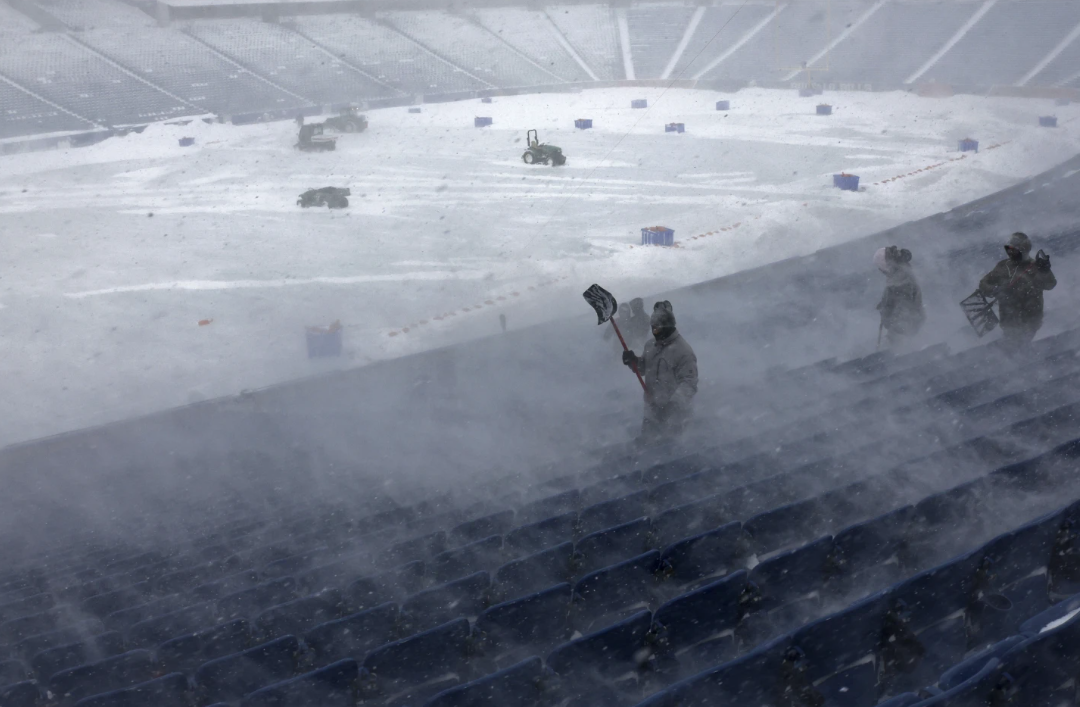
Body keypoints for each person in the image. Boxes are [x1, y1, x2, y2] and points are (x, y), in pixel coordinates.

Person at [621, 301, 698, 444]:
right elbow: (644, 368)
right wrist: (633, 361)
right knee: (648, 446)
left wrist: (672, 405)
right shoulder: (650, 345)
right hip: (652, 411)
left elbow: (689, 383)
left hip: (675, 416)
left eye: (656, 329)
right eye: (652, 329)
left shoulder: (683, 351)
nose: (654, 333)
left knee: (670, 450)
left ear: (667, 328)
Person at [978, 232, 1056, 350]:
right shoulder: (1003, 266)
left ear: (1024, 250)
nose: (1010, 253)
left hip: (1030, 320)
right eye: (1009, 250)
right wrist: (994, 290)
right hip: (1008, 320)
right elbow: (984, 283)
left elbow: (1050, 284)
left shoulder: (1036, 267)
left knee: (1019, 347)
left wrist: (1045, 271)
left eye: (1014, 250)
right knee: (1012, 346)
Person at [874, 245, 925, 347]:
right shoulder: (900, 273)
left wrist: (891, 338)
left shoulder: (901, 281)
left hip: (905, 331)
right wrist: (885, 302)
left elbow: (903, 312)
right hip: (908, 325)